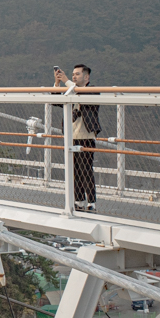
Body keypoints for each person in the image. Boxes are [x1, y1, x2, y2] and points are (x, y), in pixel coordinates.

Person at [52, 64, 101, 212]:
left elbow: (86, 99)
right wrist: (57, 83)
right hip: (70, 136)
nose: (74, 76)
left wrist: (67, 81)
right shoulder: (70, 91)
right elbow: (55, 101)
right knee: (75, 171)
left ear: (86, 77)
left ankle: (92, 201)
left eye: (77, 74)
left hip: (85, 136)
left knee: (86, 169)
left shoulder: (92, 91)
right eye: (73, 74)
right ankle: (79, 200)